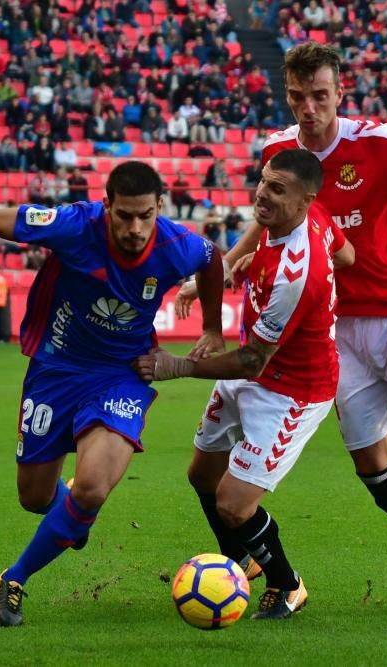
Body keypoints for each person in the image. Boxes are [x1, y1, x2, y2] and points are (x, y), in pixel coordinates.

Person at [177, 42, 387, 618]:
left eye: (319, 95)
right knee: (372, 466)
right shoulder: (279, 150)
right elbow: (267, 217)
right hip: (336, 328)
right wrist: (227, 265)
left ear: (339, 92)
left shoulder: (377, 140)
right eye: (297, 96)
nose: (308, 108)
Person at [0, 161, 226, 627]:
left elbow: (213, 258)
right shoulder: (75, 225)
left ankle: (13, 580)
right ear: (106, 205)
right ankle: (68, 513)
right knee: (35, 498)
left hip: (123, 374)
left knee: (93, 486)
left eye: (145, 216)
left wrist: (213, 328)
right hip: (56, 368)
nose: (135, 229)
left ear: (160, 207)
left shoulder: (178, 245)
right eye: (124, 216)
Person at [136, 149, 355, 620]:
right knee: (202, 476)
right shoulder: (312, 216)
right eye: (263, 181)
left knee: (233, 504)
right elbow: (347, 253)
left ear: (304, 200)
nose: (262, 193)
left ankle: (287, 584)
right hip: (254, 371)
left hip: (293, 390)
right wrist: (255, 256)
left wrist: (177, 367)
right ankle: (242, 560)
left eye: (277, 190)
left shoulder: (296, 276)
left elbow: (253, 361)